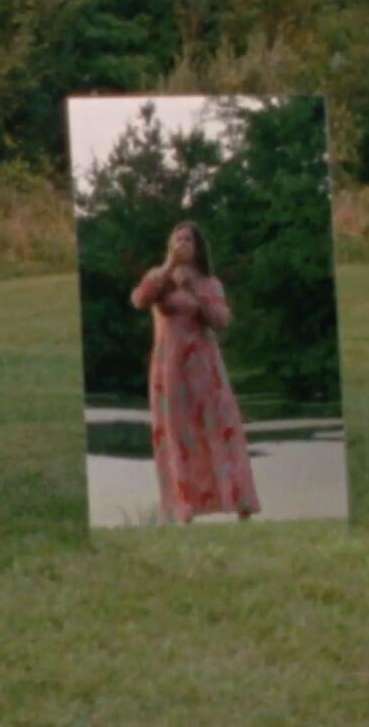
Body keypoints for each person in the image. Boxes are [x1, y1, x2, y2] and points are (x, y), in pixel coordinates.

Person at [130, 222, 260, 523]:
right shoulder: (159, 277)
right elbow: (139, 300)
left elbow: (221, 321)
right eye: (178, 239)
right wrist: (170, 268)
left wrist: (195, 290)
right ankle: (183, 509)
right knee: (177, 432)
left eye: (188, 240)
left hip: (204, 367)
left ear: (198, 247)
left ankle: (240, 504)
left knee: (220, 428)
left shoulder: (209, 283)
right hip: (170, 368)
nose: (183, 244)